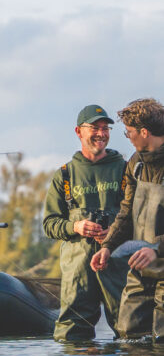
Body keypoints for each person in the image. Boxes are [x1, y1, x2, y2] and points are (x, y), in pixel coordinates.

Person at [43, 105, 127, 341]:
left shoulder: (125, 169)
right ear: (78, 131)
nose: (101, 133)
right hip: (78, 273)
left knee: (131, 331)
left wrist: (116, 231)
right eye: (95, 128)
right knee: (71, 336)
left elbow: (138, 216)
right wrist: (75, 227)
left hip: (119, 267)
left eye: (105, 128)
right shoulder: (64, 175)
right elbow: (49, 224)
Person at [91, 98, 164, 343]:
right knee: (128, 333)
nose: (128, 137)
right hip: (141, 267)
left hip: (159, 258)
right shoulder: (135, 164)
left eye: (129, 132)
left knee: (161, 338)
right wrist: (107, 247)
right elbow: (126, 212)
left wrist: (156, 249)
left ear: (144, 132)